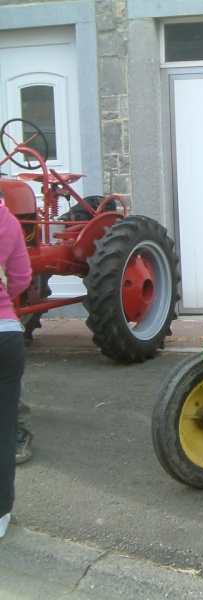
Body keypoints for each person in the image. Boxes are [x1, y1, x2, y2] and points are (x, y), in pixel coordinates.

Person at [0, 191, 33, 537]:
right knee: (4, 427)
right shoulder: (8, 222)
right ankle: (0, 516)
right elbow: (22, 278)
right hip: (5, 335)